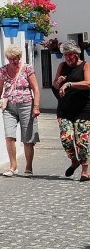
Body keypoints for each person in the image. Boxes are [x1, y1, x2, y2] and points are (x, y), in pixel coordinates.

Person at [0, 45, 41, 176]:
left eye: (16, 58)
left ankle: (29, 167)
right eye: (11, 59)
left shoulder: (27, 69)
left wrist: (36, 106)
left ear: (20, 57)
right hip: (9, 106)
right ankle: (13, 166)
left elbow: (35, 88)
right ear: (7, 58)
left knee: (28, 138)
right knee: (9, 136)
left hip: (26, 105)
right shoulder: (3, 70)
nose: (14, 61)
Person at [53, 41, 90, 181]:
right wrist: (58, 82)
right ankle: (74, 161)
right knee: (66, 138)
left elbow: (88, 83)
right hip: (65, 109)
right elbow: (55, 85)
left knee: (82, 141)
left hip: (83, 109)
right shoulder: (62, 66)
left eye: (70, 55)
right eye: (65, 55)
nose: (67, 58)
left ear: (77, 54)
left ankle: (85, 171)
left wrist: (69, 84)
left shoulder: (85, 66)